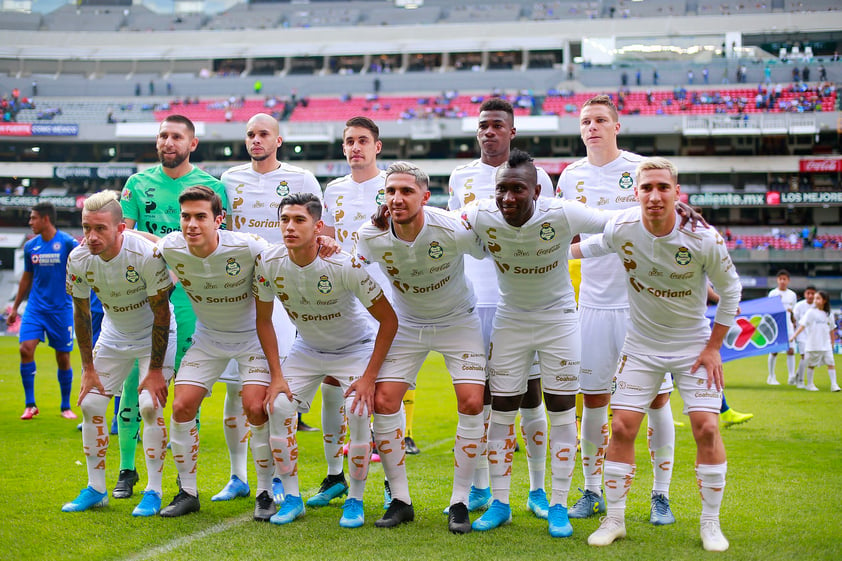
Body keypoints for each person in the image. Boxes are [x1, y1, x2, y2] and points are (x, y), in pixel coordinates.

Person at [576, 157, 741, 552]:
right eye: (646, 187)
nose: (654, 195)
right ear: (635, 193)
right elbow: (588, 247)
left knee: (707, 428)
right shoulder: (623, 227)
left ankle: (710, 524)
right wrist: (534, 249)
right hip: (642, 347)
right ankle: (614, 519)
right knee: (622, 427)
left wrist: (714, 346)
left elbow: (731, 291)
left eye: (662, 187)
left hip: (693, 348)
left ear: (676, 192)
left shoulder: (704, 239)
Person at [462, 149, 616, 538]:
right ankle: (500, 503)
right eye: (502, 190)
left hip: (559, 321)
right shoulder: (481, 214)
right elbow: (439, 226)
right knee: (501, 412)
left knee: (562, 410)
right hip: (510, 321)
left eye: (518, 189)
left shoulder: (563, 212)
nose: (508, 198)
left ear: (536, 191)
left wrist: (671, 214)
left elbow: (613, 223)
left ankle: (559, 505)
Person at [557, 95, 677, 525]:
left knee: (658, 399)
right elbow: (562, 237)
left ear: (616, 126)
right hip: (592, 304)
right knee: (592, 400)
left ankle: (660, 495)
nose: (592, 127)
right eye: (586, 121)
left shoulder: (642, 170)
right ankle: (591, 490)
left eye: (600, 120)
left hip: (641, 305)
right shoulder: (570, 177)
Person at [356, 162, 487, 533]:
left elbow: (490, 253)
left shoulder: (451, 228)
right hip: (407, 324)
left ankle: (459, 501)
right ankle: (400, 499)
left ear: (425, 197)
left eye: (407, 191)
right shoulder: (371, 234)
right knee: (383, 402)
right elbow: (353, 264)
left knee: (472, 402)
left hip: (458, 320)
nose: (397, 199)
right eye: (391, 191)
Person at [255, 193, 397, 528]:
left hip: (355, 348)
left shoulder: (344, 264)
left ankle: (356, 500)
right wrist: (276, 375)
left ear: (319, 227)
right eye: (285, 219)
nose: (290, 226)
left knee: (359, 409)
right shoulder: (268, 262)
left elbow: (389, 320)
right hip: (307, 348)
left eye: (299, 220)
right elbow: (263, 320)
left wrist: (369, 377)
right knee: (277, 406)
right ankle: (291, 498)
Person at [448, 98, 554, 517]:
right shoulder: (460, 176)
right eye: (483, 125)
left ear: (512, 132)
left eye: (497, 125)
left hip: (520, 299)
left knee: (530, 395)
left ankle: (538, 488)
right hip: (473, 303)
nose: (489, 131)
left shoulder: (537, 175)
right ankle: (479, 488)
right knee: (481, 396)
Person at [120, 114, 229, 500]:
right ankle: (127, 469)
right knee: (137, 379)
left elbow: (221, 238)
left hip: (190, 297)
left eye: (176, 136)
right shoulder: (136, 183)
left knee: (187, 382)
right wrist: (166, 242)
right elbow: (125, 233)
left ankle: (185, 471)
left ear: (192, 144)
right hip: (146, 293)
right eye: (163, 135)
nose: (168, 142)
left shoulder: (214, 187)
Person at [217, 113, 323, 505]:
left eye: (263, 134)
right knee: (234, 389)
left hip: (285, 291)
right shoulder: (229, 180)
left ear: (279, 140)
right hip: (241, 290)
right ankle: (237, 475)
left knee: (275, 385)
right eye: (250, 134)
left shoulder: (302, 179)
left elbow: (320, 228)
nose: (256, 140)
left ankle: (278, 476)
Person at [155, 186, 275, 521]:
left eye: (200, 217)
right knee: (180, 406)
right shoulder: (172, 246)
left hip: (252, 339)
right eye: (185, 217)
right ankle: (188, 492)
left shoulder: (247, 245)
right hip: (208, 339)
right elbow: (145, 242)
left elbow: (283, 256)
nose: (191, 224)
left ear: (219, 220)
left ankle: (265, 492)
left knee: (254, 407)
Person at [61, 191, 176, 516]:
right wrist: (87, 368)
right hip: (114, 333)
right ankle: (96, 488)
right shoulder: (78, 258)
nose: (91, 237)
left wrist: (154, 371)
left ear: (120, 228)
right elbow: (81, 314)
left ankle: (153, 490)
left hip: (154, 331)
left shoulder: (145, 254)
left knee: (149, 406)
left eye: (100, 229)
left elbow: (162, 314)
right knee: (91, 403)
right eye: (86, 228)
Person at [323, 117, 423, 458]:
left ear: (376, 147)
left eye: (362, 140)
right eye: (349, 141)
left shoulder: (392, 185)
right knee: (346, 372)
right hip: (348, 294)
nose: (355, 147)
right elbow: (331, 241)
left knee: (395, 369)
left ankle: (400, 434)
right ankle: (357, 440)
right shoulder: (334, 189)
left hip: (391, 290)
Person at [8, 202, 77, 421]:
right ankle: (30, 405)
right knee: (25, 348)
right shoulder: (31, 246)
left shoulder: (67, 242)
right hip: (36, 308)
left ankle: (65, 406)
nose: (30, 222)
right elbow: (26, 278)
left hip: (61, 309)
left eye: (33, 218)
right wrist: (16, 307)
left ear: (45, 219)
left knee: (63, 358)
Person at [791, 290, 839, 392]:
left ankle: (834, 385)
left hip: (825, 343)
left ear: (824, 300)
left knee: (831, 363)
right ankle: (810, 384)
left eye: (818, 298)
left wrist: (832, 343)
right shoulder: (811, 313)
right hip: (813, 343)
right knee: (811, 364)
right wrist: (793, 336)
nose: (815, 300)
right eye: (815, 298)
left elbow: (831, 329)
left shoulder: (829, 314)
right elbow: (802, 326)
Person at [767, 269, 797, 385]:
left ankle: (791, 376)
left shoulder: (792, 295)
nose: (782, 281)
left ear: (788, 281)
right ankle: (771, 376)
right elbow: (769, 310)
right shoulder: (773, 293)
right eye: (781, 279)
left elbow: (793, 311)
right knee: (774, 350)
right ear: (777, 280)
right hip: (776, 325)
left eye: (785, 279)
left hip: (788, 325)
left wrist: (793, 320)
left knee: (791, 350)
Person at [792, 285, 817, 388]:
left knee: (808, 358)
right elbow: (794, 319)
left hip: (813, 335)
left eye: (812, 293)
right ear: (805, 294)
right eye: (808, 293)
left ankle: (797, 375)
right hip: (801, 334)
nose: (810, 296)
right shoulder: (799, 306)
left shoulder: (817, 306)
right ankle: (801, 381)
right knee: (805, 356)